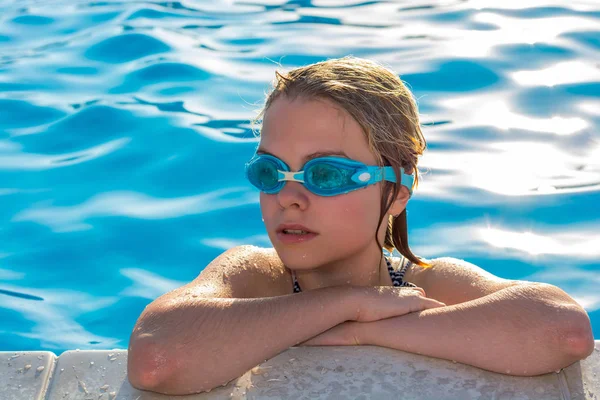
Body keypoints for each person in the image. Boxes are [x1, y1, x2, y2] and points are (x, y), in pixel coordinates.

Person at [126, 56, 595, 395]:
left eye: (325, 174)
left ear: (396, 189)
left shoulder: (427, 284)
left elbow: (562, 332)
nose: (288, 197)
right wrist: (349, 303)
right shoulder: (253, 276)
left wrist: (361, 329)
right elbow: (156, 359)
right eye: (270, 172)